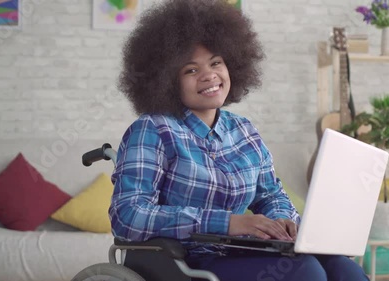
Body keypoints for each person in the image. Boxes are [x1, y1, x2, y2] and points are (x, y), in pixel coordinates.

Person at [110, 0, 369, 280]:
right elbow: (128, 216)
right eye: (191, 70)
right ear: (167, 80)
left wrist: (283, 221)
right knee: (306, 273)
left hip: (244, 253)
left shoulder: (243, 130)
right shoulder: (153, 129)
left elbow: (270, 195)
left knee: (345, 269)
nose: (209, 75)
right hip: (183, 262)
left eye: (216, 63)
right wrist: (229, 223)